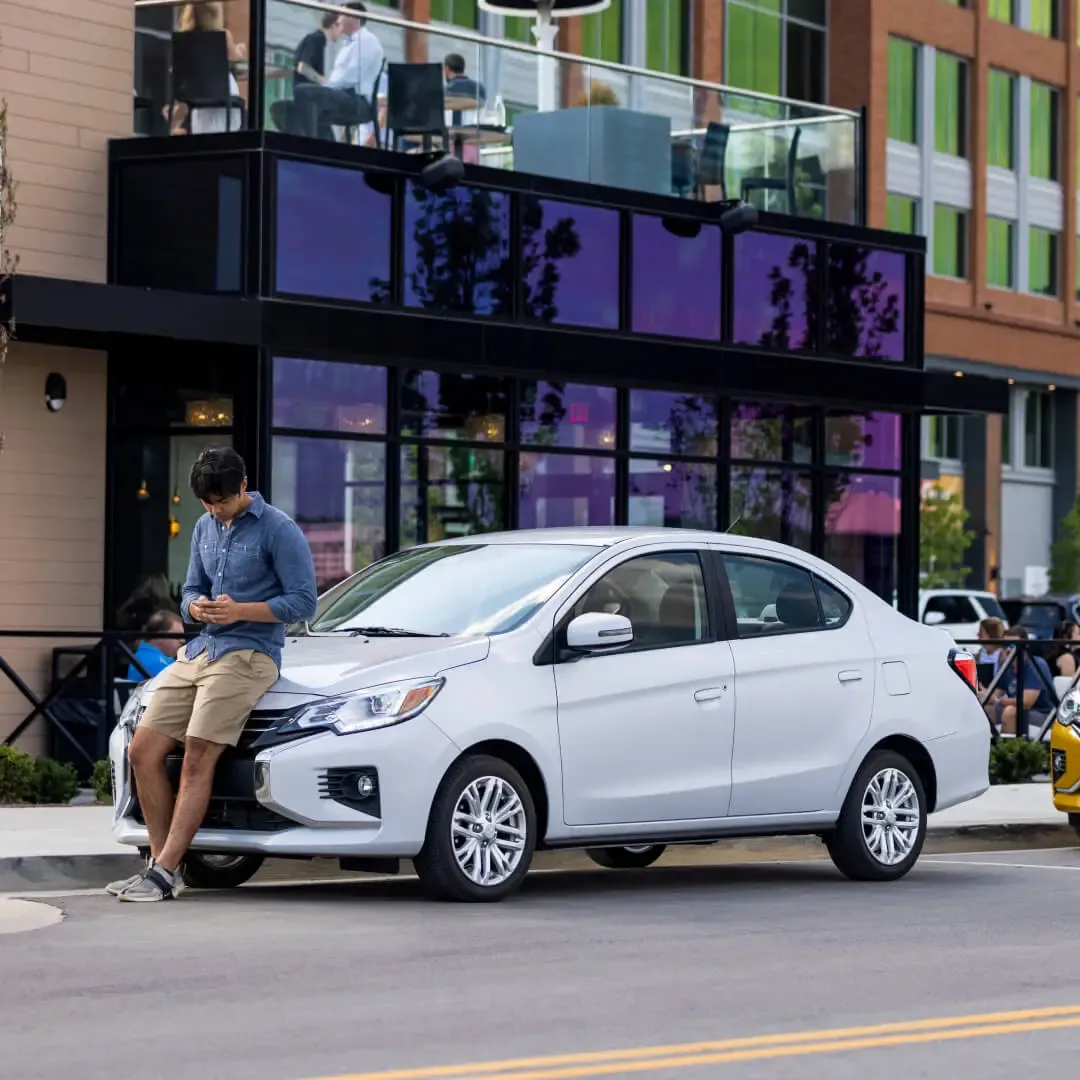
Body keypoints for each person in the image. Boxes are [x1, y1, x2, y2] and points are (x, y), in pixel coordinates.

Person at [112, 447, 317, 903]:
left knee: (197, 756)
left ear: (243, 486)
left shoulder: (279, 530)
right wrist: (194, 608)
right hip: (201, 650)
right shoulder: (205, 526)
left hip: (251, 655)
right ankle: (161, 866)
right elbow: (188, 591)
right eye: (207, 504)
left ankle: (163, 873)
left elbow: (304, 603)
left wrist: (239, 610)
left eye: (221, 502)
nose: (214, 511)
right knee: (142, 750)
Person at [295, 2, 385, 142]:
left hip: (357, 100)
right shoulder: (348, 44)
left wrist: (326, 85)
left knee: (304, 92)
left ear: (353, 17)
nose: (337, 20)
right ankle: (323, 145)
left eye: (341, 15)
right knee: (306, 104)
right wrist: (327, 86)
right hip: (344, 94)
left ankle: (311, 144)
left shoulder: (367, 41)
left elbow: (350, 77)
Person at [169, 2, 247, 134]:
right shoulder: (223, 36)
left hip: (198, 105)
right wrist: (240, 49)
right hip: (225, 100)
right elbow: (238, 57)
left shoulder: (185, 41)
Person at [989, 624, 1054, 737]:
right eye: (1006, 645)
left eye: (1013, 645)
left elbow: (1027, 701)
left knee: (1010, 712)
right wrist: (985, 695)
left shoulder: (1036, 664)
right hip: (1017, 708)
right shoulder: (1005, 663)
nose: (1008, 649)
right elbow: (996, 693)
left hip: (1043, 714)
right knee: (986, 708)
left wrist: (1000, 700)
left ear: (1025, 645)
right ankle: (990, 748)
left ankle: (1008, 752)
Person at [126, 610, 185, 682]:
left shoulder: (146, 655)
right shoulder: (157, 663)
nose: (182, 640)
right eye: (177, 635)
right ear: (160, 636)